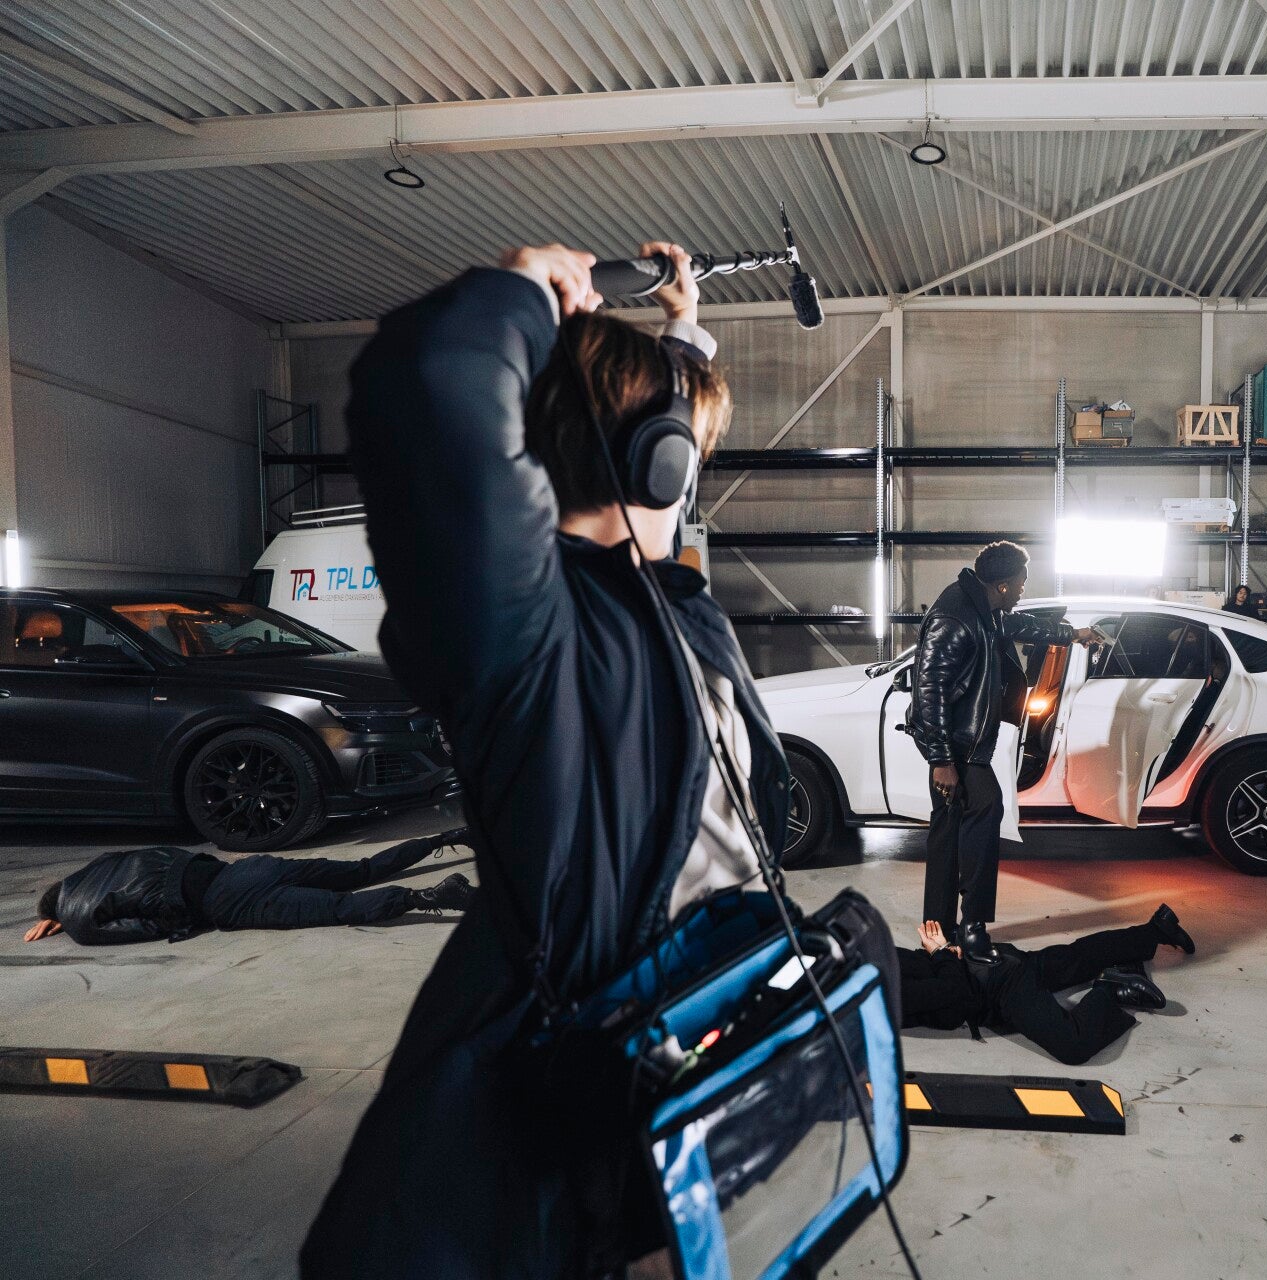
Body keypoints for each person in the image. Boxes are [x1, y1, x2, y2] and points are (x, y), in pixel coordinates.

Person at [301, 243, 789, 1280]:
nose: (687, 475)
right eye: (679, 453)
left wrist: (681, 336)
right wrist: (523, 292)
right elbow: (428, 383)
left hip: (681, 1039)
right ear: (650, 463)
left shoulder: (641, 593)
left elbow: (646, 482)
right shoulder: (523, 625)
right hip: (584, 1066)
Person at [910, 542, 1099, 962]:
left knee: (948, 829)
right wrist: (941, 761)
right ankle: (973, 927)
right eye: (1020, 584)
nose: (1022, 590)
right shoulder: (954, 617)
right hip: (955, 745)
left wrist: (1071, 634)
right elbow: (929, 688)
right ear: (1001, 585)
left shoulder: (984, 608)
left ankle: (939, 930)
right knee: (986, 807)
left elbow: (1018, 625)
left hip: (959, 741)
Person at [20, 831, 471, 945]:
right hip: (245, 870)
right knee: (361, 869)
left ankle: (431, 897)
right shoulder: (103, 864)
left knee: (338, 907)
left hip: (229, 902)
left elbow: (149, 928)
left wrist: (69, 922)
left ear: (53, 917)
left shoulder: (78, 918)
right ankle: (448, 837)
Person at [898, 905, 1196, 1065]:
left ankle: (1110, 987)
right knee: (1074, 959)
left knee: (1073, 1045)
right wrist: (944, 954)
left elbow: (952, 991)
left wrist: (941, 953)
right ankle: (1155, 930)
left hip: (995, 985)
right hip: (990, 960)